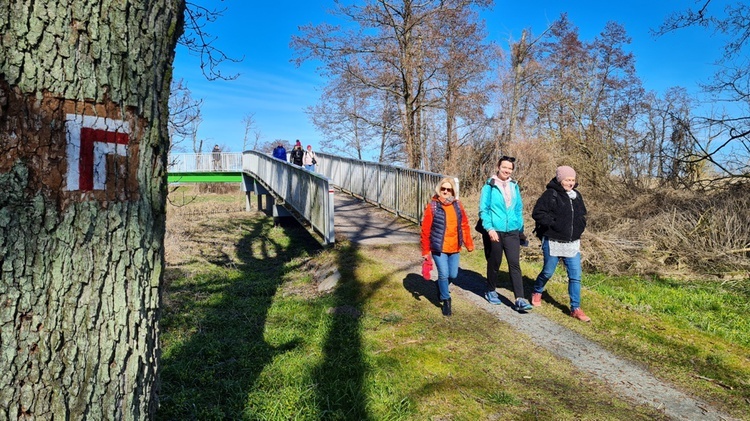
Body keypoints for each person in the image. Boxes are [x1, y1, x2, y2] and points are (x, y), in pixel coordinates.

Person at [531, 165, 590, 322]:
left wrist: (580, 227)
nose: (570, 183)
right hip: (553, 241)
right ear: (560, 179)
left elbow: (582, 215)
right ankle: (537, 290)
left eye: (572, 179)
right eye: (567, 179)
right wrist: (554, 223)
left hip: (572, 243)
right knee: (548, 272)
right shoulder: (551, 194)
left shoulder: (576, 195)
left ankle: (575, 308)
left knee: (575, 276)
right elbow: (537, 213)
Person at [478, 155, 533, 312]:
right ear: (498, 167)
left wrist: (519, 227)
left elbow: (518, 208)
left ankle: (520, 299)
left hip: (512, 232)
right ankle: (490, 290)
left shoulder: (514, 186)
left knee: (514, 264)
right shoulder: (489, 186)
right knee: (495, 262)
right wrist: (489, 229)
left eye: (510, 168)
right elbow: (484, 209)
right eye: (504, 167)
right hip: (495, 231)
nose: (507, 170)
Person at [421, 178, 474, 316]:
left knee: (453, 274)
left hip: (454, 246)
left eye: (448, 189)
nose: (445, 191)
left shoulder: (457, 205)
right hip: (439, 247)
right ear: (439, 189)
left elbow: (464, 225)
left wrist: (469, 243)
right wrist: (425, 250)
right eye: (443, 189)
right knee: (443, 273)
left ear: (452, 191)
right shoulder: (432, 206)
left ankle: (440, 285)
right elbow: (425, 230)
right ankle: (446, 299)